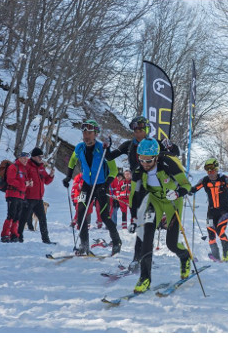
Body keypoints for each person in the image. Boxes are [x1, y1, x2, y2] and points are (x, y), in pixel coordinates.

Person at [105, 115, 180, 270]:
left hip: (154, 188)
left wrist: (171, 146)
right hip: (138, 186)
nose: (138, 132)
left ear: (147, 130)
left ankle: (138, 258)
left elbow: (175, 154)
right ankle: (142, 257)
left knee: (146, 224)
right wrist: (107, 148)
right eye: (135, 130)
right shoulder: (129, 145)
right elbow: (110, 156)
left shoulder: (155, 144)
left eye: (141, 129)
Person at [129, 138, 192, 293]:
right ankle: (145, 278)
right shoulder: (138, 170)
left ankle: (185, 256)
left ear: (156, 157)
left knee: (171, 244)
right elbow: (133, 195)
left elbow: (187, 185)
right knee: (146, 237)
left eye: (148, 160)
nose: (145, 164)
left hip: (173, 201)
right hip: (155, 200)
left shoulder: (168, 163)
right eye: (141, 159)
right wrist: (133, 217)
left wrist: (177, 193)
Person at [62, 120, 122, 256]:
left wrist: (106, 185)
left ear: (95, 134)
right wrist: (68, 177)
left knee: (105, 216)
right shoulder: (79, 147)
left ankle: (117, 242)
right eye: (84, 132)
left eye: (89, 133)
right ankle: (84, 245)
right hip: (87, 185)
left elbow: (113, 171)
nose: (86, 135)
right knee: (81, 214)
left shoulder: (103, 148)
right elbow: (72, 161)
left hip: (101, 186)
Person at [189, 158, 228, 262]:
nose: (210, 173)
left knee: (220, 231)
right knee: (211, 233)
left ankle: (226, 255)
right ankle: (216, 257)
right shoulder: (205, 180)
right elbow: (194, 188)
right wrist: (189, 191)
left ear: (216, 169)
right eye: (208, 171)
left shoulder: (224, 179)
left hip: (223, 211)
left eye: (212, 170)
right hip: (211, 212)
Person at [18, 147, 55, 244]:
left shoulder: (41, 167)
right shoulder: (27, 166)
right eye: (39, 156)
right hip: (28, 198)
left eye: (42, 156)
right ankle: (18, 237)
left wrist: (51, 175)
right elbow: (22, 179)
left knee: (43, 219)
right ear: (34, 157)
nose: (41, 158)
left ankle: (46, 239)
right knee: (23, 219)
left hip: (38, 198)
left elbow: (46, 181)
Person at [1, 152, 32, 242]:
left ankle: (14, 233)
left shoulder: (23, 169)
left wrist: (28, 183)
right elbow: (10, 181)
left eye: (27, 159)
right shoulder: (13, 167)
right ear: (19, 158)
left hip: (20, 195)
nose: (26, 160)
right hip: (12, 194)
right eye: (24, 158)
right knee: (11, 214)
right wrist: (23, 184)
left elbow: (23, 182)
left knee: (17, 216)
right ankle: (5, 234)